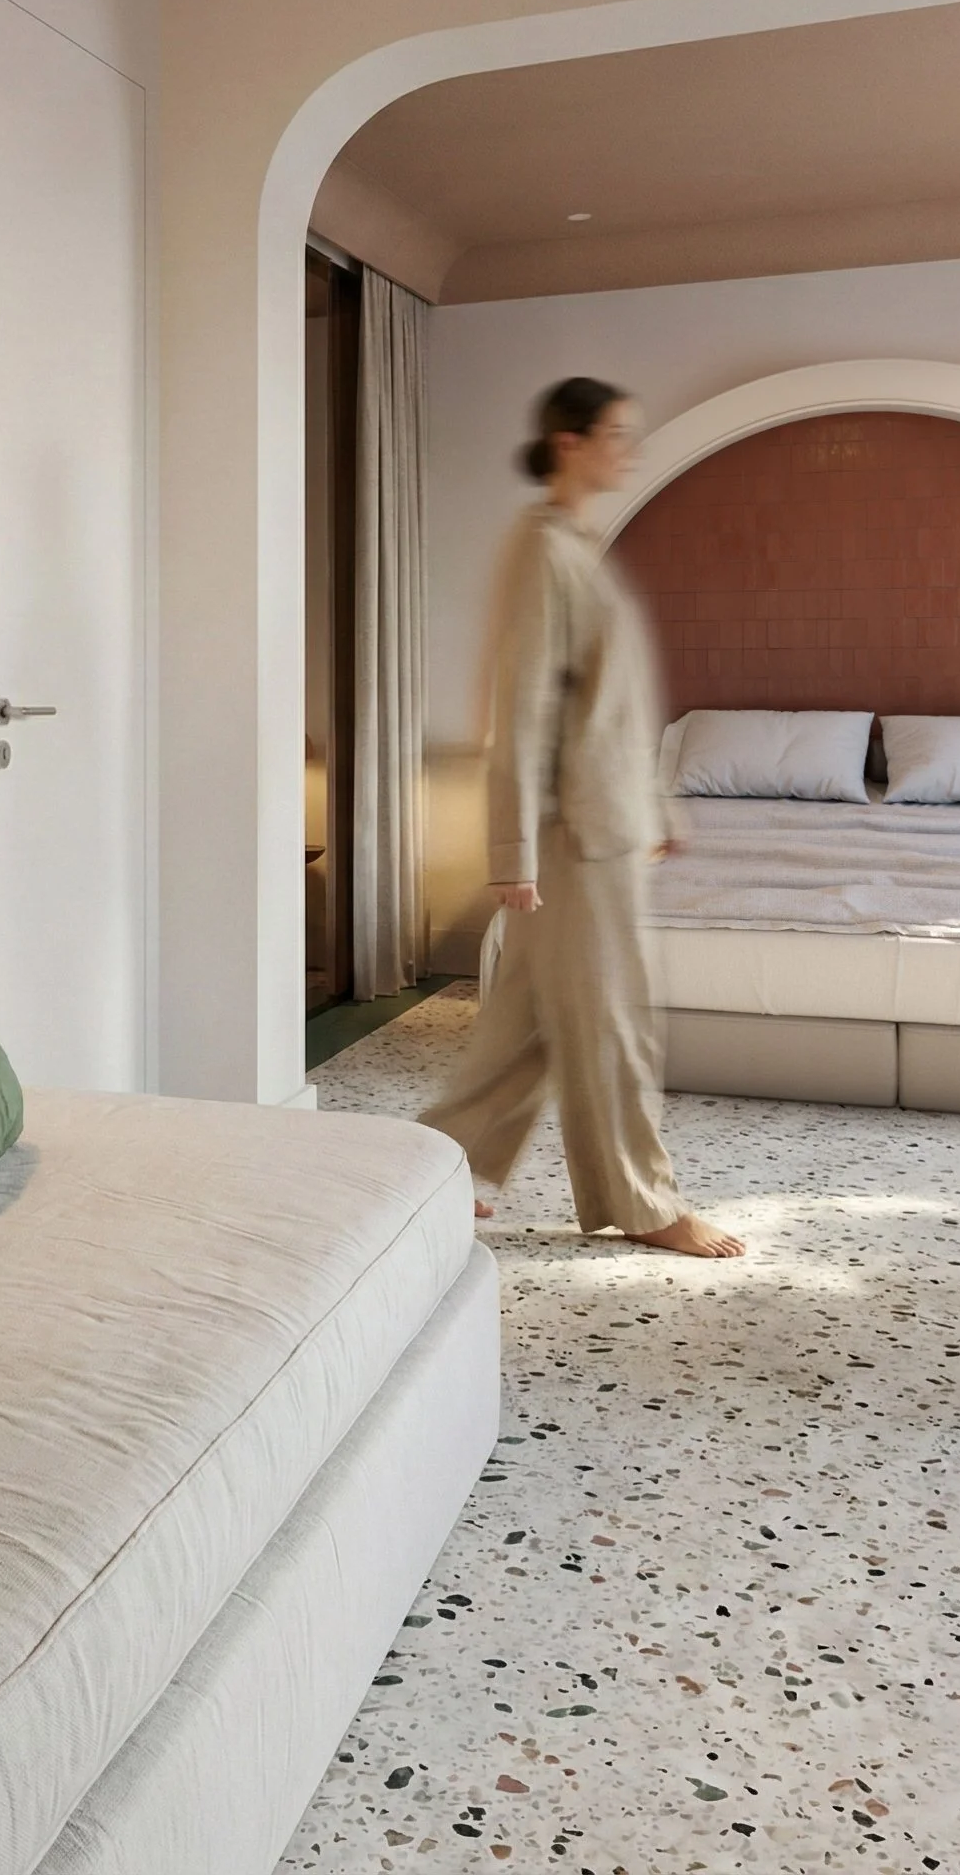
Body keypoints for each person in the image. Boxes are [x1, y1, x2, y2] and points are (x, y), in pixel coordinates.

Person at [422, 378, 744, 1259]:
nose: (629, 451)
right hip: (571, 843)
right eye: (616, 436)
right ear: (568, 442)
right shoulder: (544, 552)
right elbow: (523, 710)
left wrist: (656, 803)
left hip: (601, 827)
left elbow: (610, 708)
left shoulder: (572, 544)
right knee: (612, 1024)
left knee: (528, 1024)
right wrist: (512, 849)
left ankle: (434, 1170)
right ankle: (644, 1205)